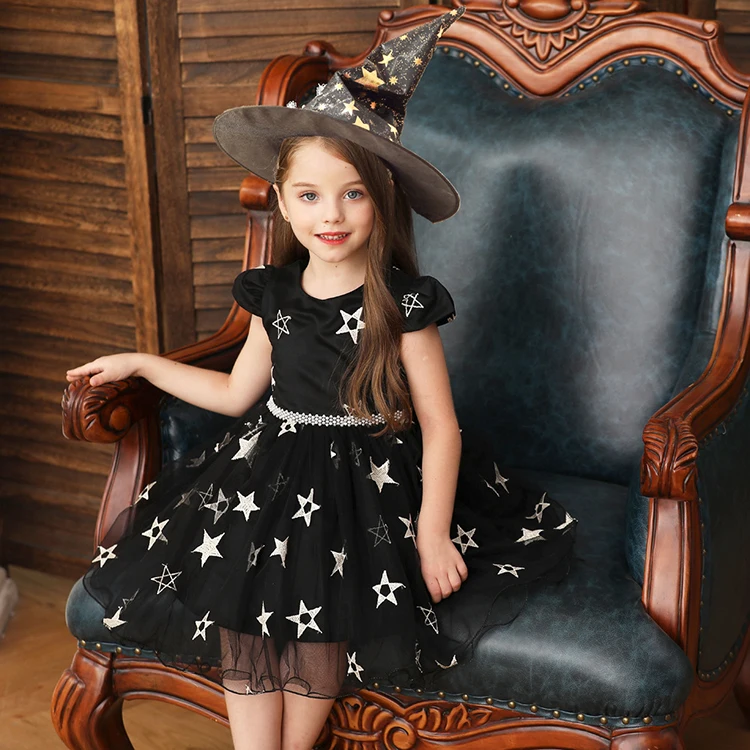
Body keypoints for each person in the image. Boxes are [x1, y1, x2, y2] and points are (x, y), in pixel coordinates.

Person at [66, 9, 577, 750]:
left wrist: (433, 532)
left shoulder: (404, 304)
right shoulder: (273, 295)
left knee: (318, 621)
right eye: (308, 195)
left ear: (382, 198)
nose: (329, 215)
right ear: (281, 201)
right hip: (269, 476)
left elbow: (441, 426)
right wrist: (144, 362)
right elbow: (236, 394)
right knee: (246, 619)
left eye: (353, 194)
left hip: (365, 487)